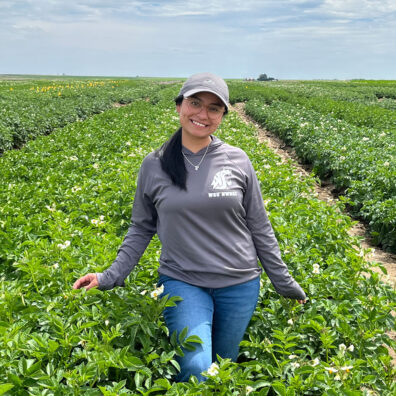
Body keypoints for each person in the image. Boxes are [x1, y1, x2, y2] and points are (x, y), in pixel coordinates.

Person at [73, 72, 307, 382]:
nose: (202, 114)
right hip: (183, 281)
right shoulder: (154, 164)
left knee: (223, 367)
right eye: (195, 103)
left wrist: (285, 283)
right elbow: (141, 228)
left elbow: (259, 227)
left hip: (239, 283)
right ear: (179, 105)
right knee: (196, 369)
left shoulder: (237, 160)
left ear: (223, 115)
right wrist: (110, 276)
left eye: (214, 108)